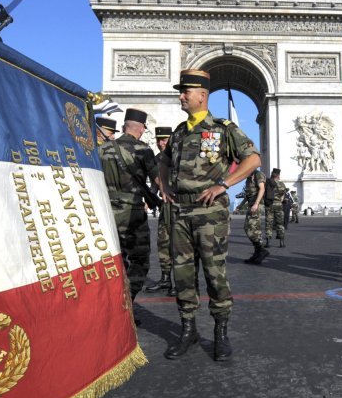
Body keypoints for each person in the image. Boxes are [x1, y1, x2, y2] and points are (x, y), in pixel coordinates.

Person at [158, 69, 261, 361]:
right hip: (180, 212)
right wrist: (164, 184)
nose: (181, 96)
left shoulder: (223, 128)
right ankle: (188, 330)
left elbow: (253, 159)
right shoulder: (178, 132)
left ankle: (220, 333)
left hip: (210, 213)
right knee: (183, 274)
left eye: (185, 92)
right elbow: (164, 163)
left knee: (215, 274)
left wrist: (223, 184)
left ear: (201, 96)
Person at [99, 108, 160, 301]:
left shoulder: (101, 150)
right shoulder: (143, 150)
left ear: (125, 127)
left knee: (115, 260)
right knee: (140, 260)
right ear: (141, 129)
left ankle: (113, 302)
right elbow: (158, 180)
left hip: (107, 213)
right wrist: (153, 197)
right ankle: (127, 303)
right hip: (132, 213)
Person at [145, 126, 176, 294]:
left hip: (180, 208)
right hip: (165, 208)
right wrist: (148, 202)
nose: (160, 143)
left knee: (179, 246)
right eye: (158, 140)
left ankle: (180, 284)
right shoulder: (157, 159)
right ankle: (165, 279)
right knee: (163, 243)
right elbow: (155, 184)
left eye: (164, 140)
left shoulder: (179, 156)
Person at [242, 167, 268, 264]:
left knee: (250, 228)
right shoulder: (249, 177)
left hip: (256, 205)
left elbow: (262, 189)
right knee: (253, 229)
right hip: (251, 204)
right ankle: (257, 253)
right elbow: (247, 194)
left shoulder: (258, 174)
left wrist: (256, 204)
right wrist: (240, 206)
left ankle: (261, 250)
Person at [264, 168, 288, 247]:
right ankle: (282, 242)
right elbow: (283, 194)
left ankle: (268, 242)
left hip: (269, 205)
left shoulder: (267, 183)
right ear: (278, 175)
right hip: (278, 205)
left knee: (269, 223)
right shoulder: (281, 184)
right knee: (280, 223)